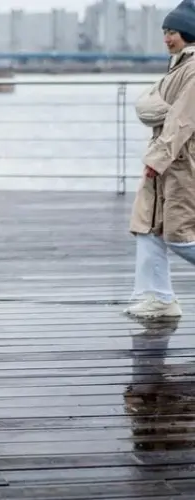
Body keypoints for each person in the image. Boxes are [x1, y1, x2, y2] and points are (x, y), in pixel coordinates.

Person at [125, 0, 195, 318]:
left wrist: (158, 160)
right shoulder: (178, 66)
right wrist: (159, 111)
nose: (167, 38)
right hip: (166, 160)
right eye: (165, 32)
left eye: (173, 32)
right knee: (147, 228)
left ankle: (159, 297)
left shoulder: (192, 69)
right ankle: (157, 297)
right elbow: (145, 107)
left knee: (180, 236)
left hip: (179, 163)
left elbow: (181, 120)